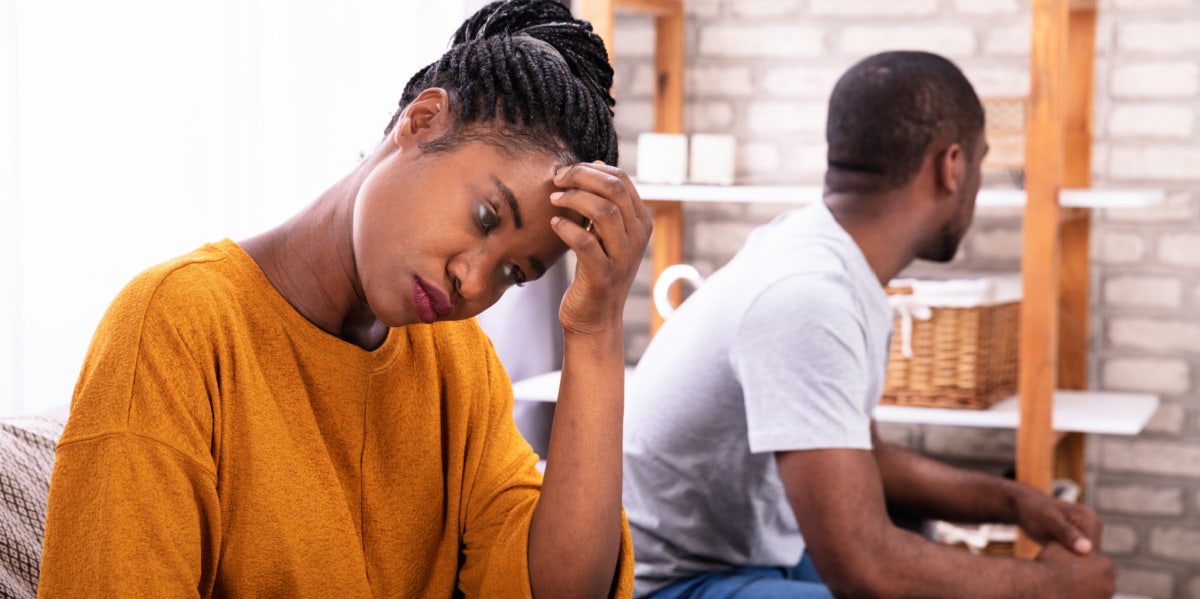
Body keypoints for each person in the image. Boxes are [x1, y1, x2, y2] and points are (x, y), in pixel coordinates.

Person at [38, 1, 651, 597]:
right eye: (487, 216)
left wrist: (595, 332)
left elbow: (560, 588)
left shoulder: (457, 364)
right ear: (423, 121)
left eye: (514, 274)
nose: (473, 280)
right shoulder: (177, 325)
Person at [622, 51, 1116, 599]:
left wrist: (1016, 502)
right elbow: (866, 571)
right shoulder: (809, 297)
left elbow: (866, 458)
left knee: (916, 542)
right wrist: (1052, 586)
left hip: (738, 554)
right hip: (667, 584)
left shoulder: (822, 254)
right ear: (950, 166)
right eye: (980, 162)